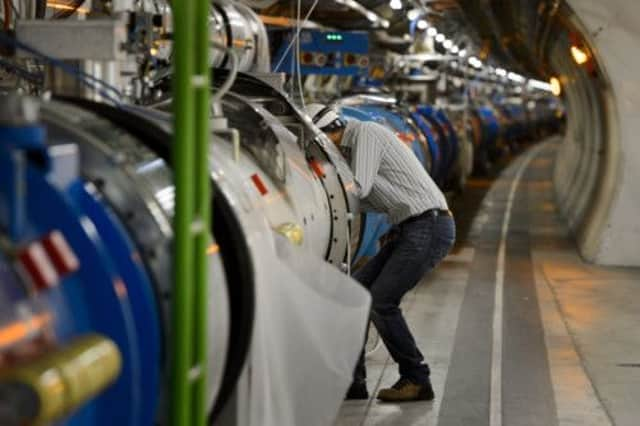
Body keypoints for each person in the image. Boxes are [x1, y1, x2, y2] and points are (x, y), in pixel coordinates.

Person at [307, 103, 456, 402]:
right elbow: (365, 200)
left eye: (319, 141)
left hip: (429, 224)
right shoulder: (351, 151)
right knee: (358, 294)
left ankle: (416, 378)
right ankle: (353, 382)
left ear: (331, 130)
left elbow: (357, 189)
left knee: (382, 301)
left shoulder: (367, 133)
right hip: (408, 228)